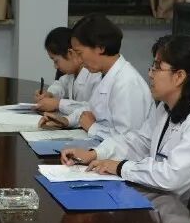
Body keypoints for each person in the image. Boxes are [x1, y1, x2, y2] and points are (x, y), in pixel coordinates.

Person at [70, 34, 190, 200]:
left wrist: (121, 167)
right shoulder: (166, 107)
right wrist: (96, 153)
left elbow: (173, 177)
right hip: (170, 201)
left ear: (179, 76)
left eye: (157, 67)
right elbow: (140, 142)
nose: (151, 74)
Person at [57, 14, 154, 163]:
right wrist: (66, 120)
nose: (79, 60)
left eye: (79, 53)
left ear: (100, 48)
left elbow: (130, 144)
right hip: (104, 154)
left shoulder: (127, 83)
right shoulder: (105, 74)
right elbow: (91, 110)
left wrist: (93, 128)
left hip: (124, 163)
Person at [35, 26, 98, 129]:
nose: (55, 66)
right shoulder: (71, 74)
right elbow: (60, 84)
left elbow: (93, 109)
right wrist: (50, 94)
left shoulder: (95, 75)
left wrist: (58, 104)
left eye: (56, 61)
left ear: (70, 53)